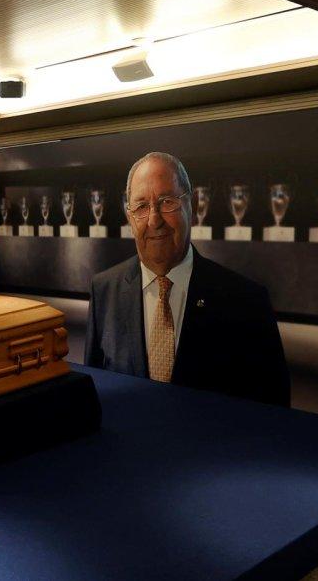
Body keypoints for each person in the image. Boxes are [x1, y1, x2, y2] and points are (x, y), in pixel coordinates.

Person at [84, 152, 290, 406]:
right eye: (141, 207)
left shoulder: (246, 301)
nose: (154, 220)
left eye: (167, 201)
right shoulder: (104, 290)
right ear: (129, 217)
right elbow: (94, 395)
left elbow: (274, 411)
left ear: (190, 207)